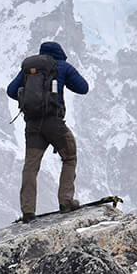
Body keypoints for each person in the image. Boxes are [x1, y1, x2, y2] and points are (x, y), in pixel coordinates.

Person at [6, 40, 90, 222]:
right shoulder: (62, 66)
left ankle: (28, 211)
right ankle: (66, 201)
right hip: (54, 123)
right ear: (60, 53)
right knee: (69, 157)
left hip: (32, 125)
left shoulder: (29, 68)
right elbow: (83, 88)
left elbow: (11, 91)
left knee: (31, 167)